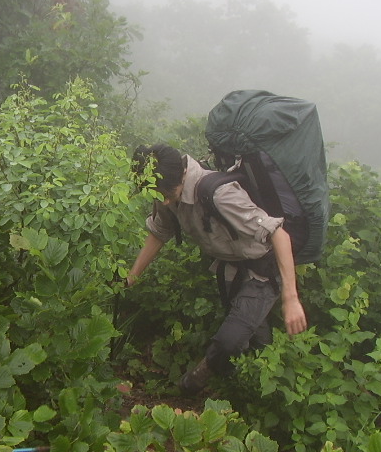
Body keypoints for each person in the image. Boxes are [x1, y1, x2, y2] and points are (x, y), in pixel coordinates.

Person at [128, 144, 308, 394]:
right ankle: (256, 388)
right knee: (254, 335)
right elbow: (160, 231)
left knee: (229, 341)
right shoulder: (165, 191)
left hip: (263, 269)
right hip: (231, 267)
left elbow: (279, 235)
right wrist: (132, 276)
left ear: (181, 175)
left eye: (168, 193)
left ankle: (193, 383)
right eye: (157, 194)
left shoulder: (221, 195)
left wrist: (291, 299)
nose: (165, 200)